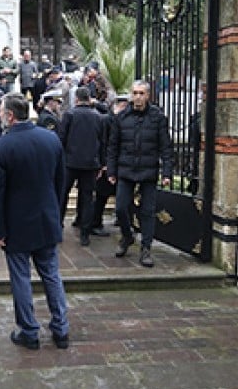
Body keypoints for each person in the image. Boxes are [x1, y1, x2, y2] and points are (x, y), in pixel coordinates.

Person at [0, 93, 70, 350]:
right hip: (47, 218)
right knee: (51, 275)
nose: (0, 115)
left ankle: (29, 331)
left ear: (10, 116)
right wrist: (56, 216)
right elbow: (61, 183)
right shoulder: (51, 139)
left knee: (21, 279)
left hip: (17, 225)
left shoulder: (2, 146)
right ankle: (61, 329)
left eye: (2, 111)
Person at [106, 80, 173, 268]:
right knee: (120, 208)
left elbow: (165, 147)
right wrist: (111, 170)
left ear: (148, 96)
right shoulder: (122, 117)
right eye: (134, 93)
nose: (137, 97)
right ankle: (127, 237)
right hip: (126, 170)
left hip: (148, 170)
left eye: (141, 93)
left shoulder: (157, 117)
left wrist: (166, 172)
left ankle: (146, 249)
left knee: (147, 212)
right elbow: (113, 146)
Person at [58, 86, 106, 246]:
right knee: (87, 198)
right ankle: (85, 233)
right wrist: (102, 164)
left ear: (76, 99)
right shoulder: (99, 117)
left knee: (62, 196)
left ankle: (58, 227)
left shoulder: (69, 115)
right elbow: (103, 143)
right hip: (91, 164)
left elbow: (61, 139)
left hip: (69, 163)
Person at [88, 94, 128, 238]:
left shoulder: (118, 120)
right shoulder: (107, 120)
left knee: (117, 195)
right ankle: (95, 223)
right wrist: (103, 164)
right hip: (107, 165)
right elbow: (103, 143)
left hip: (116, 164)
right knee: (101, 196)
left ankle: (120, 220)